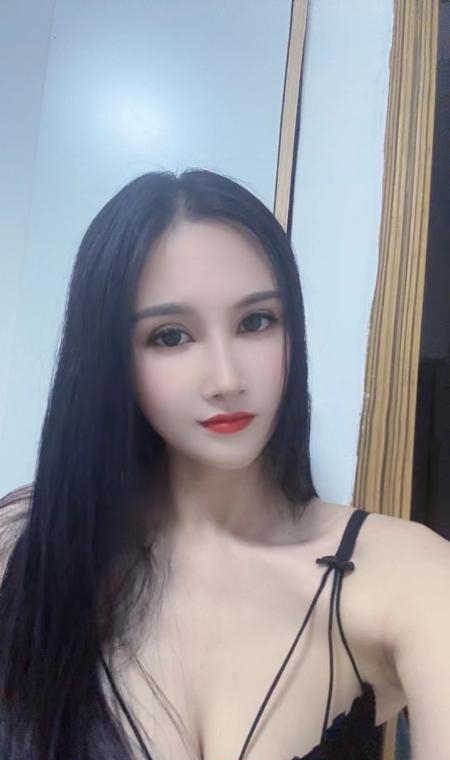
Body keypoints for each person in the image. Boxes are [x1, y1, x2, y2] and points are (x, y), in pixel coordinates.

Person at [0, 170, 448, 760]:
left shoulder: (409, 576)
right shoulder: (26, 543)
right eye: (170, 336)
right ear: (113, 357)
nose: (227, 379)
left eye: (256, 322)